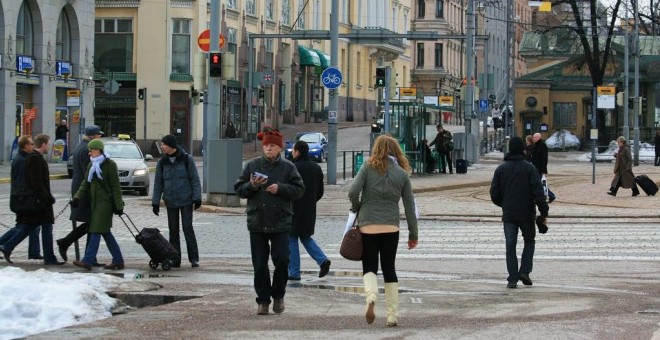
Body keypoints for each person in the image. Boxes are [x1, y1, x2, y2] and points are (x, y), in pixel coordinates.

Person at [348, 134, 419, 327]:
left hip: (368, 225)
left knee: (369, 265)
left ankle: (371, 297)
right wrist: (413, 234)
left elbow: (353, 191)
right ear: (396, 151)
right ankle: (392, 315)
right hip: (391, 226)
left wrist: (357, 207)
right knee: (389, 268)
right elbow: (410, 207)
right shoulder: (402, 174)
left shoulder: (367, 167)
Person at [234, 126, 305, 316]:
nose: (268, 149)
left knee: (282, 260)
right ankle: (263, 300)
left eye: (272, 146)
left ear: (280, 148)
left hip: (281, 220)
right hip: (257, 220)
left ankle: (279, 295)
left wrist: (280, 189)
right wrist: (252, 185)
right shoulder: (252, 166)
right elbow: (240, 189)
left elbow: (299, 190)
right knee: (259, 264)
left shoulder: (288, 167)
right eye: (266, 146)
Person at [490, 136, 549, 289]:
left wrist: (504, 204)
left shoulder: (501, 169)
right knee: (529, 241)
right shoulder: (529, 168)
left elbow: (494, 194)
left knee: (510, 245)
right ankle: (525, 272)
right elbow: (538, 192)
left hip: (509, 213)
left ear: (509, 149)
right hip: (526, 213)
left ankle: (512, 279)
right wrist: (544, 211)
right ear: (522, 149)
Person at [0, 134, 63, 265]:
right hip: (33, 200)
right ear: (43, 144)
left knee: (30, 226)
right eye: (30, 143)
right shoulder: (30, 159)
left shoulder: (30, 158)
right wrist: (45, 197)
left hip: (31, 199)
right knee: (27, 226)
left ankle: (29, 251)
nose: (32, 145)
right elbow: (35, 182)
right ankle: (46, 257)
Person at [71, 139, 125, 270]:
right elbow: (85, 183)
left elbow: (116, 187)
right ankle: (118, 260)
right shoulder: (92, 165)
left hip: (106, 204)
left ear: (99, 150)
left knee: (95, 230)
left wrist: (119, 206)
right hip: (95, 203)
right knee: (105, 233)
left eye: (92, 150)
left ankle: (87, 261)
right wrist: (77, 197)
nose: (90, 153)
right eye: (89, 150)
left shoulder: (110, 165)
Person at [152, 135, 202, 268]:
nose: (162, 147)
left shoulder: (186, 159)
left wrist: (197, 198)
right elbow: (158, 183)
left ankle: (194, 258)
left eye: (164, 144)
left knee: (187, 228)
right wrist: (155, 202)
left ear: (171, 146)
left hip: (186, 200)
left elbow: (195, 180)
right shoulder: (162, 162)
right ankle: (175, 258)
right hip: (170, 201)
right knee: (173, 230)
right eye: (161, 144)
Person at [57, 125, 104, 263]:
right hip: (84, 191)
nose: (100, 137)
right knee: (93, 223)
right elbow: (88, 172)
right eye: (98, 135)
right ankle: (66, 242)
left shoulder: (80, 146)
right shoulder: (86, 150)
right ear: (92, 136)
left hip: (79, 188)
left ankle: (89, 256)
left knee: (92, 223)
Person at [288, 140, 330, 281]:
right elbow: (320, 191)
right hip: (310, 209)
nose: (292, 153)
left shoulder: (293, 168)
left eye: (293, 150)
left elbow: (289, 190)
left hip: (294, 208)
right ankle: (322, 260)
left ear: (298, 152)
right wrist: (311, 201)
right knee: (305, 237)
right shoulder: (316, 168)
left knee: (292, 237)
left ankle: (294, 271)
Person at [531, 133, 556, 203]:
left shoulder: (542, 146)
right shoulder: (535, 146)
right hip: (535, 168)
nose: (533, 138)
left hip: (539, 169)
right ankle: (549, 196)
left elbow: (544, 159)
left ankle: (550, 196)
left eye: (535, 137)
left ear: (539, 137)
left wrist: (543, 170)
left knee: (539, 184)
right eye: (533, 137)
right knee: (540, 184)